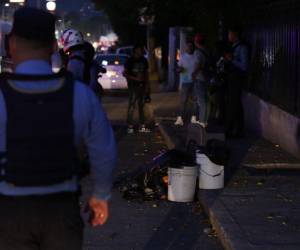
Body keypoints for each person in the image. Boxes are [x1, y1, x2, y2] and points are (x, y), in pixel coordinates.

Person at [0, 7, 117, 250]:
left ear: (11, 45)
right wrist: (100, 195)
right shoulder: (80, 95)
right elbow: (104, 151)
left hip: (10, 213)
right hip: (62, 212)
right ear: (54, 46)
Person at [224, 26, 249, 138]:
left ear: (235, 34)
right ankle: (236, 129)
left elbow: (244, 66)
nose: (228, 36)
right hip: (231, 78)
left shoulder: (242, 48)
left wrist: (231, 60)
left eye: (230, 34)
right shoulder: (233, 47)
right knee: (235, 104)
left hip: (237, 79)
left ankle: (234, 130)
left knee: (234, 105)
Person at [123, 45, 149, 134]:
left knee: (141, 106)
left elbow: (146, 73)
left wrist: (147, 86)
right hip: (133, 86)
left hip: (142, 85)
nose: (140, 52)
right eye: (138, 50)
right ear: (134, 51)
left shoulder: (144, 60)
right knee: (132, 105)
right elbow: (125, 74)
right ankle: (130, 125)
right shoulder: (130, 61)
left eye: (141, 50)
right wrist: (135, 79)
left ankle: (142, 124)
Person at [174, 41, 198, 126]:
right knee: (183, 101)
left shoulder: (196, 56)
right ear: (186, 47)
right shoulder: (183, 57)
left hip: (195, 81)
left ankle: (194, 117)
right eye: (188, 46)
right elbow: (178, 68)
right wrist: (179, 70)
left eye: (191, 46)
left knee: (195, 101)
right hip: (185, 81)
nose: (190, 48)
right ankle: (180, 118)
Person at [192, 33, 210, 128]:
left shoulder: (198, 52)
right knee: (206, 100)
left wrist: (193, 74)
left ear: (196, 42)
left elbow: (198, 65)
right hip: (207, 78)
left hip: (200, 78)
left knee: (202, 101)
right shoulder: (207, 51)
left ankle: (202, 122)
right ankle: (205, 120)